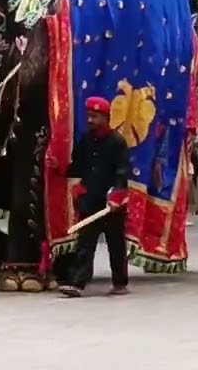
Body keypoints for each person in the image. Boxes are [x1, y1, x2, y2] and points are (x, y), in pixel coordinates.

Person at [58, 97, 130, 298]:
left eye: (95, 117)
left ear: (106, 118)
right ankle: (77, 283)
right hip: (90, 202)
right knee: (85, 245)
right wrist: (64, 174)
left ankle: (120, 282)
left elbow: (122, 171)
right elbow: (77, 167)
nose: (90, 120)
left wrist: (117, 194)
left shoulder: (117, 142)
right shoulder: (85, 141)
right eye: (89, 116)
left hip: (111, 204)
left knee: (116, 245)